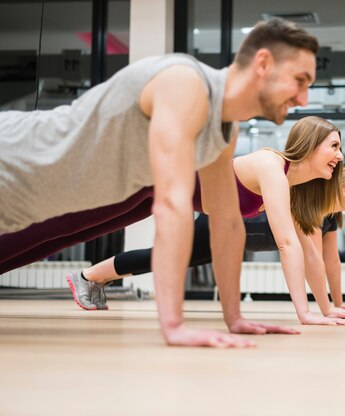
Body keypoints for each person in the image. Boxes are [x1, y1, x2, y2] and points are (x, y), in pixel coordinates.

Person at [0, 18, 319, 347]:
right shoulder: (185, 83)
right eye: (300, 81)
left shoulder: (224, 130)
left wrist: (234, 318)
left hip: (27, 203)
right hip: (11, 161)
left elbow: (227, 222)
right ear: (263, 63)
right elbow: (171, 205)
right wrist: (173, 325)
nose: (304, 99)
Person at [77, 163, 345, 319]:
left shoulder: (331, 216)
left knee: (167, 259)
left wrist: (338, 304)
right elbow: (311, 257)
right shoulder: (310, 203)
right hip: (224, 221)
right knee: (164, 258)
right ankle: (89, 276)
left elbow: (330, 263)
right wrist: (324, 310)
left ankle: (95, 278)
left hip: (237, 239)